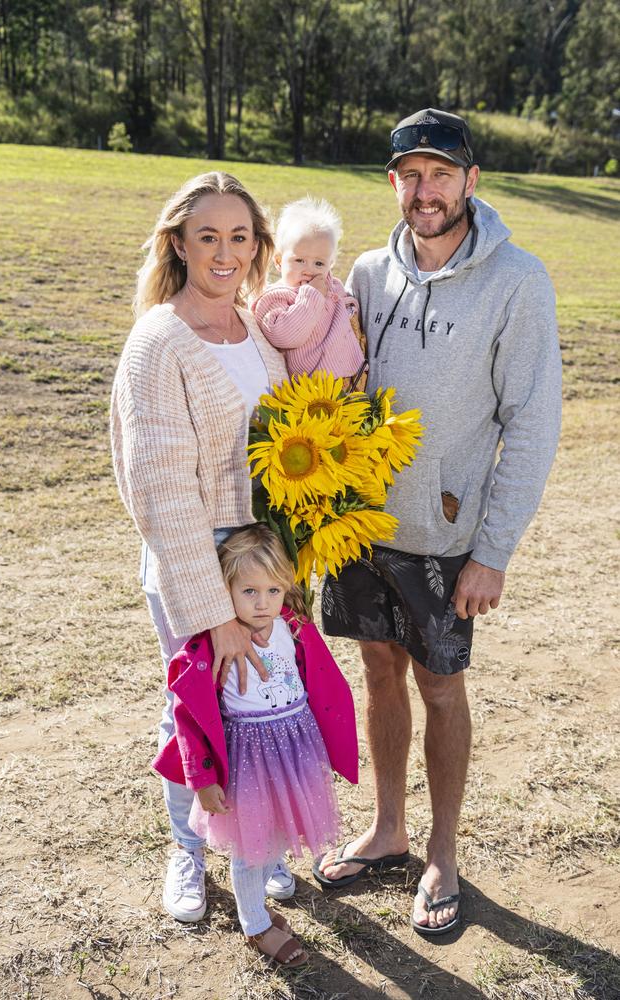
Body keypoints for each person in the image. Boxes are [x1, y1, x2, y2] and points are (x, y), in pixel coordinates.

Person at [314, 109, 562, 935]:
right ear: (394, 183)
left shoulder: (517, 281)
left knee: (441, 688)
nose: (425, 192)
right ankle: (388, 830)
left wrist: (492, 551)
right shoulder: (365, 274)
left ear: (471, 181)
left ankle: (442, 855)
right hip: (361, 528)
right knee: (378, 675)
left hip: (449, 540)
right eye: (409, 175)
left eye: (441, 174)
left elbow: (531, 423)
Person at [110, 171, 293, 924]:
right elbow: (158, 488)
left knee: (266, 701)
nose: (224, 251)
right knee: (194, 709)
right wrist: (211, 608)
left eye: (239, 237)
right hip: (195, 559)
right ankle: (187, 851)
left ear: (257, 249)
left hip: (267, 564)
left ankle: (259, 843)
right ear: (178, 243)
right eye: (208, 235)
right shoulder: (160, 339)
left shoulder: (256, 328)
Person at [153, 525, 359, 965]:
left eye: (272, 589)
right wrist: (202, 779)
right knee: (252, 848)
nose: (262, 602)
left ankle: (258, 904)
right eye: (248, 590)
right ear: (223, 591)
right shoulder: (207, 648)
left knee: (281, 834)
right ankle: (255, 924)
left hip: (294, 752)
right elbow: (188, 719)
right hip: (249, 760)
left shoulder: (294, 628)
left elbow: (322, 687)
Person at [251, 196, 365, 378]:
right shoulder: (276, 298)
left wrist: (350, 309)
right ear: (279, 261)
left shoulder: (331, 285)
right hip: (312, 391)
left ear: (331, 264)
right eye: (299, 260)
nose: (309, 270)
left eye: (319, 263)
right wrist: (311, 296)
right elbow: (285, 336)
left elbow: (345, 304)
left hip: (353, 377)